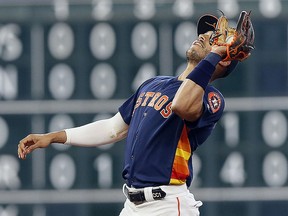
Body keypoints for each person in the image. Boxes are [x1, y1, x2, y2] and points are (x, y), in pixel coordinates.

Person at [18, 13, 245, 216]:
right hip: (132, 206)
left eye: (213, 38)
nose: (204, 36)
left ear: (223, 58)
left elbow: (181, 106)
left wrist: (214, 56)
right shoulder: (153, 84)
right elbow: (112, 129)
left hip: (168, 204)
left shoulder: (210, 98)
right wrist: (53, 136)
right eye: (204, 33)